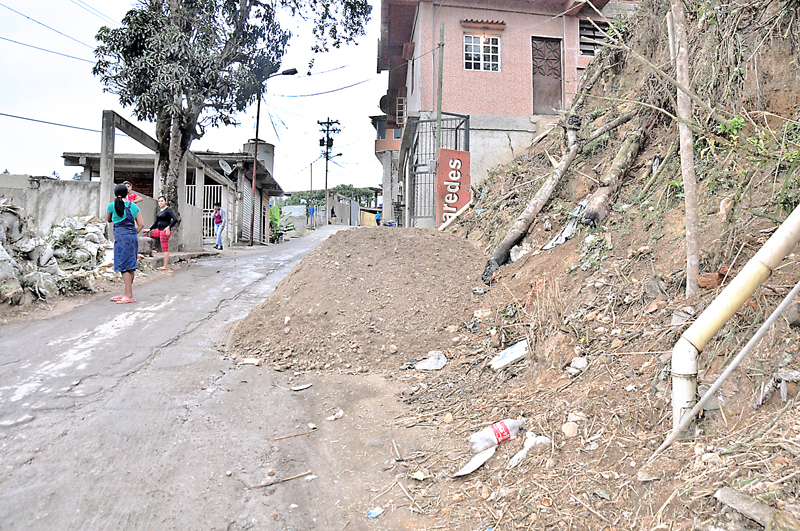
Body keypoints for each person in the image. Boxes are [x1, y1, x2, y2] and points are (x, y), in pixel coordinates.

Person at [107, 183, 144, 304]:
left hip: (120, 237)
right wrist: (133, 233)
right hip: (132, 237)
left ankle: (129, 295)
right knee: (131, 265)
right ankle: (126, 292)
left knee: (123, 266)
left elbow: (108, 219)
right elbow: (141, 225)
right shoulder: (133, 206)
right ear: (127, 193)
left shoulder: (111, 206)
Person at [146, 196, 179, 270]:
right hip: (159, 230)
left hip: (164, 231)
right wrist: (150, 229)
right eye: (159, 201)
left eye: (162, 201)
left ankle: (165, 265)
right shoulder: (160, 210)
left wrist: (168, 227)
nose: (160, 203)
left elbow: (175, 219)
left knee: (164, 248)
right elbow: (156, 222)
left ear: (165, 202)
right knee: (147, 234)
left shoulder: (168, 210)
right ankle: (150, 253)